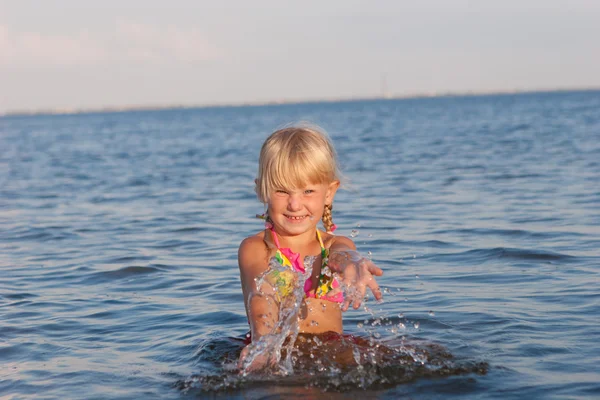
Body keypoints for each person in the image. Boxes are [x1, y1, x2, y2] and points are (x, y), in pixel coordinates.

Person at [237, 125, 383, 370]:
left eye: (308, 191)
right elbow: (261, 300)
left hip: (331, 354)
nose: (295, 204)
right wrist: (262, 347)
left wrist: (353, 263)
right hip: (276, 354)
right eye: (282, 190)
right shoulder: (257, 248)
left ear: (329, 193)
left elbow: (343, 254)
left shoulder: (333, 244)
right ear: (262, 190)